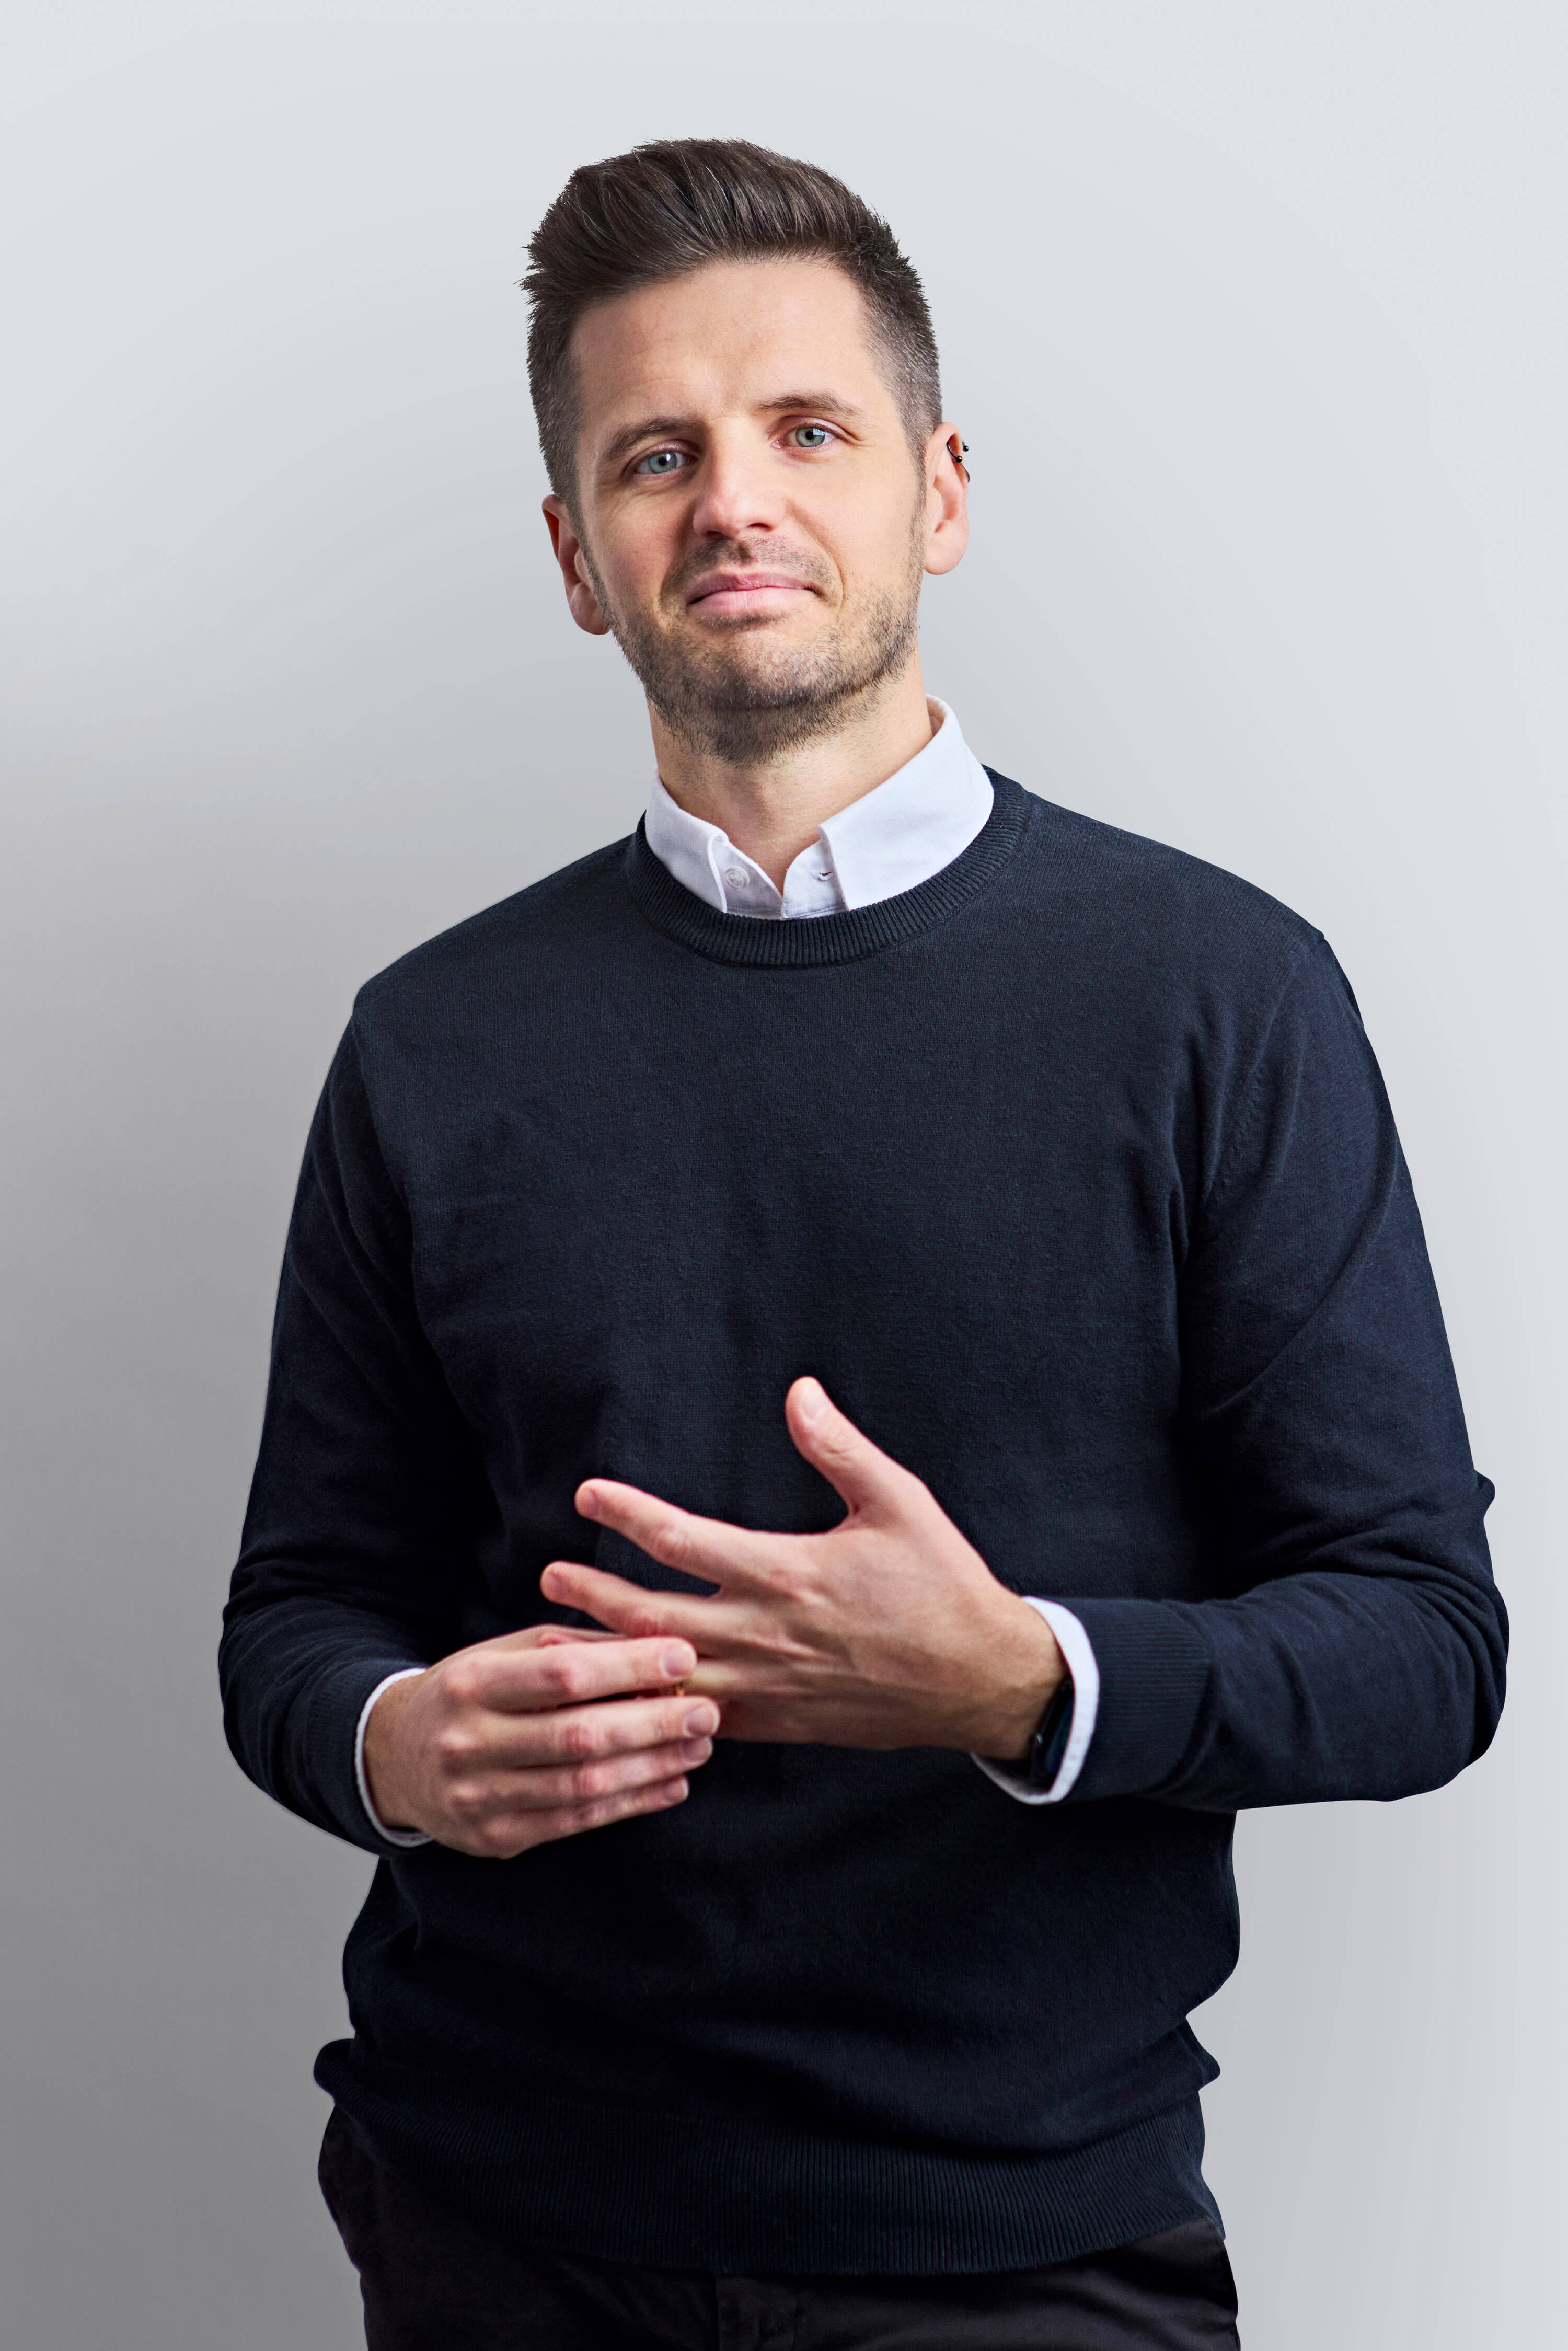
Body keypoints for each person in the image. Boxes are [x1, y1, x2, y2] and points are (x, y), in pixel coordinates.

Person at [220, 139, 1507, 2350]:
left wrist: (1020, 1679)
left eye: (808, 429)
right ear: (578, 557)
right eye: (657, 455)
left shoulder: (1222, 995)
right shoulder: (429, 1043)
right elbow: (295, 1617)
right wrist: (396, 1744)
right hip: (497, 2223)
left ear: (943, 490)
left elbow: (1424, 1642)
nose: (735, 501)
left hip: (1024, 2247)